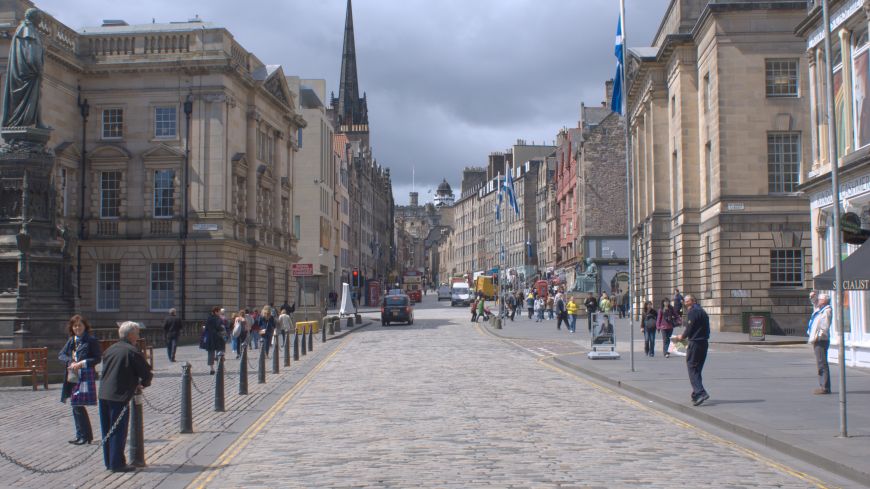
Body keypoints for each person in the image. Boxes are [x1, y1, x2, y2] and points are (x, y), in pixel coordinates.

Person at [98, 321, 152, 473]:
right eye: (137, 333)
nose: (138, 336)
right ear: (130, 335)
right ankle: (117, 463)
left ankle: (109, 461)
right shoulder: (132, 351)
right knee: (118, 430)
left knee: (107, 429)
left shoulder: (110, 349)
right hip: (119, 395)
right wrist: (144, 383)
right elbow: (146, 372)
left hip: (104, 393)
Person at [59, 315, 102, 446]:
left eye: (80, 325)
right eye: (75, 326)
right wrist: (71, 361)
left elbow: (97, 358)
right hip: (72, 376)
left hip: (84, 375)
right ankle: (81, 435)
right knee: (75, 404)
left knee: (78, 404)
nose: (77, 328)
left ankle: (86, 436)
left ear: (85, 326)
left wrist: (82, 363)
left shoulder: (91, 340)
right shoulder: (72, 340)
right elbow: (62, 354)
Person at [673, 295, 710, 406]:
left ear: (693, 301)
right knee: (697, 368)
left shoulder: (692, 312)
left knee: (692, 367)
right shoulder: (703, 311)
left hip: (695, 342)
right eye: (685, 301)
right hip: (704, 342)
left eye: (687, 301)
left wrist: (682, 337)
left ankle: (701, 392)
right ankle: (695, 394)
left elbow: (690, 327)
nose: (685, 303)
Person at [807, 292, 832, 395]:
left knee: (822, 363)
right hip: (817, 339)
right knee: (820, 363)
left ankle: (825, 387)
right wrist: (812, 296)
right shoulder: (820, 309)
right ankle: (823, 386)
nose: (818, 301)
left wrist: (819, 335)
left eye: (820, 300)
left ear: (824, 301)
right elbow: (814, 302)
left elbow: (825, 326)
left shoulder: (826, 311)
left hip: (821, 340)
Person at [204, 306, 226, 374]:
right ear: (216, 312)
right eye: (219, 311)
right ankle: (219, 367)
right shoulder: (217, 319)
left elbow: (206, 328)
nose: (220, 313)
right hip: (217, 337)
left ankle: (212, 369)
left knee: (211, 353)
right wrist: (222, 327)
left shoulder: (209, 318)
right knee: (219, 352)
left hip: (210, 337)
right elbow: (219, 327)